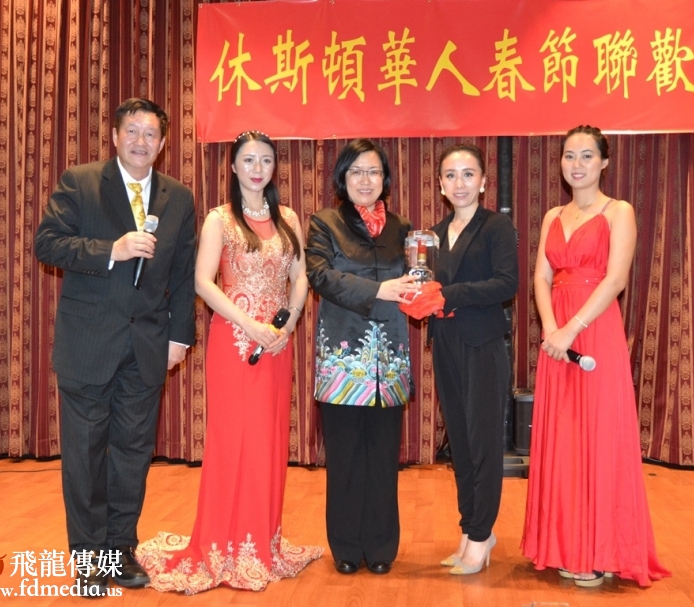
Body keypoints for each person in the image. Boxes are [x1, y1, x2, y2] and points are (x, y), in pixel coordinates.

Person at [135, 131, 322, 593]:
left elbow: (301, 276)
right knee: (233, 440)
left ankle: (261, 542)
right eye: (248, 160)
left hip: (276, 343)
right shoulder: (220, 219)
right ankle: (221, 543)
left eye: (266, 160)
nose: (258, 169)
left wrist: (289, 322)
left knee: (269, 440)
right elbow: (203, 282)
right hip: (235, 343)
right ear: (234, 167)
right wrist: (249, 323)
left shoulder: (288, 218)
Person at [34, 97, 196, 596]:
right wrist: (112, 250)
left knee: (132, 453)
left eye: (151, 134)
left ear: (162, 143)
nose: (141, 141)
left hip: (148, 346)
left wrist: (179, 337)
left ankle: (120, 549)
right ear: (114, 136)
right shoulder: (81, 183)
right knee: (85, 456)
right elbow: (47, 243)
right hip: (88, 344)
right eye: (132, 131)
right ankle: (88, 560)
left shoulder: (178, 197)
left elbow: (184, 275)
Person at [521, 125, 670, 587]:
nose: (577, 164)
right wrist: (551, 328)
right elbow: (541, 277)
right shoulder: (552, 215)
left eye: (587, 155)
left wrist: (572, 328)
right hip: (557, 338)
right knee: (563, 441)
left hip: (595, 329)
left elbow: (616, 279)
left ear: (605, 162)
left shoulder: (618, 211)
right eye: (569, 155)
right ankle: (563, 545)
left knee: (599, 437)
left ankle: (601, 551)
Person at [305, 139, 419, 576]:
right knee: (346, 457)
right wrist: (379, 290)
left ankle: (382, 547)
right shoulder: (325, 223)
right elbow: (320, 275)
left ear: (385, 178)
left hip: (389, 359)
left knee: (384, 457)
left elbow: (414, 279)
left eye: (373, 171)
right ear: (343, 178)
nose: (365, 180)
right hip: (344, 360)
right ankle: (347, 548)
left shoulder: (403, 228)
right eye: (356, 172)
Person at [427, 144, 519, 575]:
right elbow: (428, 287)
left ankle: (481, 536)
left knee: (483, 445)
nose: (459, 183)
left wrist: (449, 295)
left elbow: (506, 284)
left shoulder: (496, 226)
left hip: (482, 345)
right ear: (440, 185)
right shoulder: (434, 233)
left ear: (483, 182)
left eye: (468, 174)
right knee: (460, 445)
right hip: (445, 344)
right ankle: (470, 529)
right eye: (451, 175)